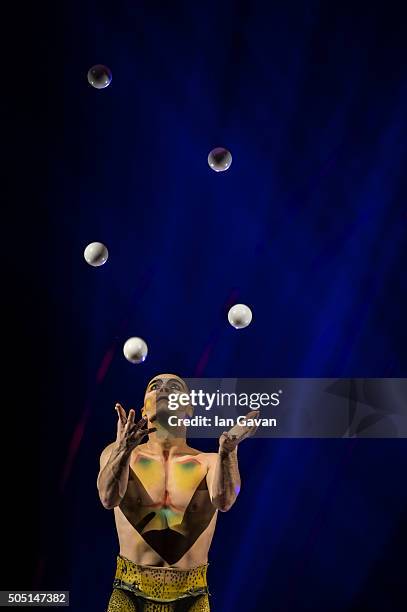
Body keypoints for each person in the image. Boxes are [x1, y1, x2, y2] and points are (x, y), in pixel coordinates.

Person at [97, 374, 258, 611]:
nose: (163, 389)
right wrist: (122, 450)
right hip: (129, 592)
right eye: (155, 386)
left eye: (174, 387)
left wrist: (228, 449)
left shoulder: (209, 462)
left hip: (191, 596)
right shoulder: (121, 455)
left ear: (188, 409)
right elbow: (108, 498)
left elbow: (224, 501)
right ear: (143, 410)